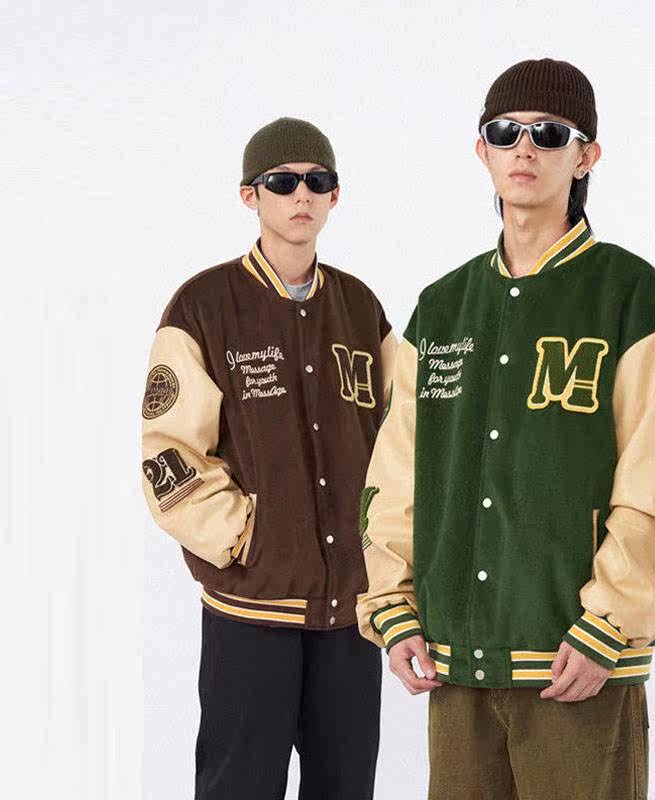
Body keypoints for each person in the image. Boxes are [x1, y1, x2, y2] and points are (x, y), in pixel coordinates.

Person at [355, 58, 655, 800]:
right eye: (505, 132)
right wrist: (392, 605)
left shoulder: (632, 295)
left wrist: (609, 622)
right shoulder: (441, 308)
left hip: (579, 664)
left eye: (549, 133)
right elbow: (396, 472)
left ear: (585, 157)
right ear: (483, 151)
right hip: (455, 664)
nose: (524, 148)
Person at [140, 116, 396, 800]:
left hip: (350, 611)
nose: (301, 195)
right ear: (250, 195)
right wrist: (245, 537)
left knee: (346, 786)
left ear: (335, 196)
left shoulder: (360, 307)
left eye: (317, 181)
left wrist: (387, 548)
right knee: (240, 785)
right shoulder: (205, 306)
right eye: (282, 182)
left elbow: (404, 440)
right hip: (251, 609)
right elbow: (169, 453)